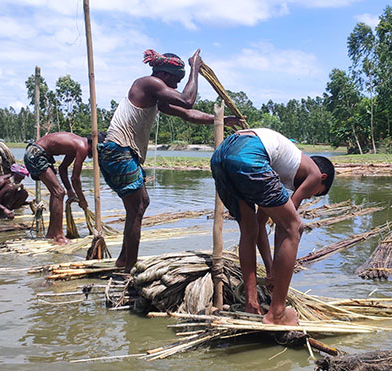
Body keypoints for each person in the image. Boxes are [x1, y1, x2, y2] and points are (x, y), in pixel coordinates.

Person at [100, 48, 241, 272]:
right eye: (175, 81)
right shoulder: (148, 83)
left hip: (122, 152)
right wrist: (195, 67)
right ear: (164, 75)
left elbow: (187, 114)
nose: (175, 87)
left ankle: (123, 261)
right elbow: (187, 100)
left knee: (139, 205)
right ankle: (129, 269)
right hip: (119, 150)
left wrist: (222, 119)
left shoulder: (155, 95)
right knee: (137, 208)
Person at [210, 128, 335, 326]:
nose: (311, 196)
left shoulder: (279, 169)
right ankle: (277, 313)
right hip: (249, 153)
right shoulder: (314, 173)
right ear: (323, 178)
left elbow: (261, 224)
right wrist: (276, 272)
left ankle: (251, 303)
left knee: (249, 229)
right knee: (295, 228)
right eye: (317, 193)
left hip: (221, 155)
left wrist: (271, 270)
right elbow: (287, 227)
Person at [23, 131, 105, 244]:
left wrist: (70, 191)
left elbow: (63, 168)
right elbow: (75, 178)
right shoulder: (82, 147)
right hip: (36, 154)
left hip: (37, 153)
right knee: (59, 192)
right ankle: (59, 236)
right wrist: (82, 199)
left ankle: (52, 233)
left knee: (56, 192)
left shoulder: (76, 145)